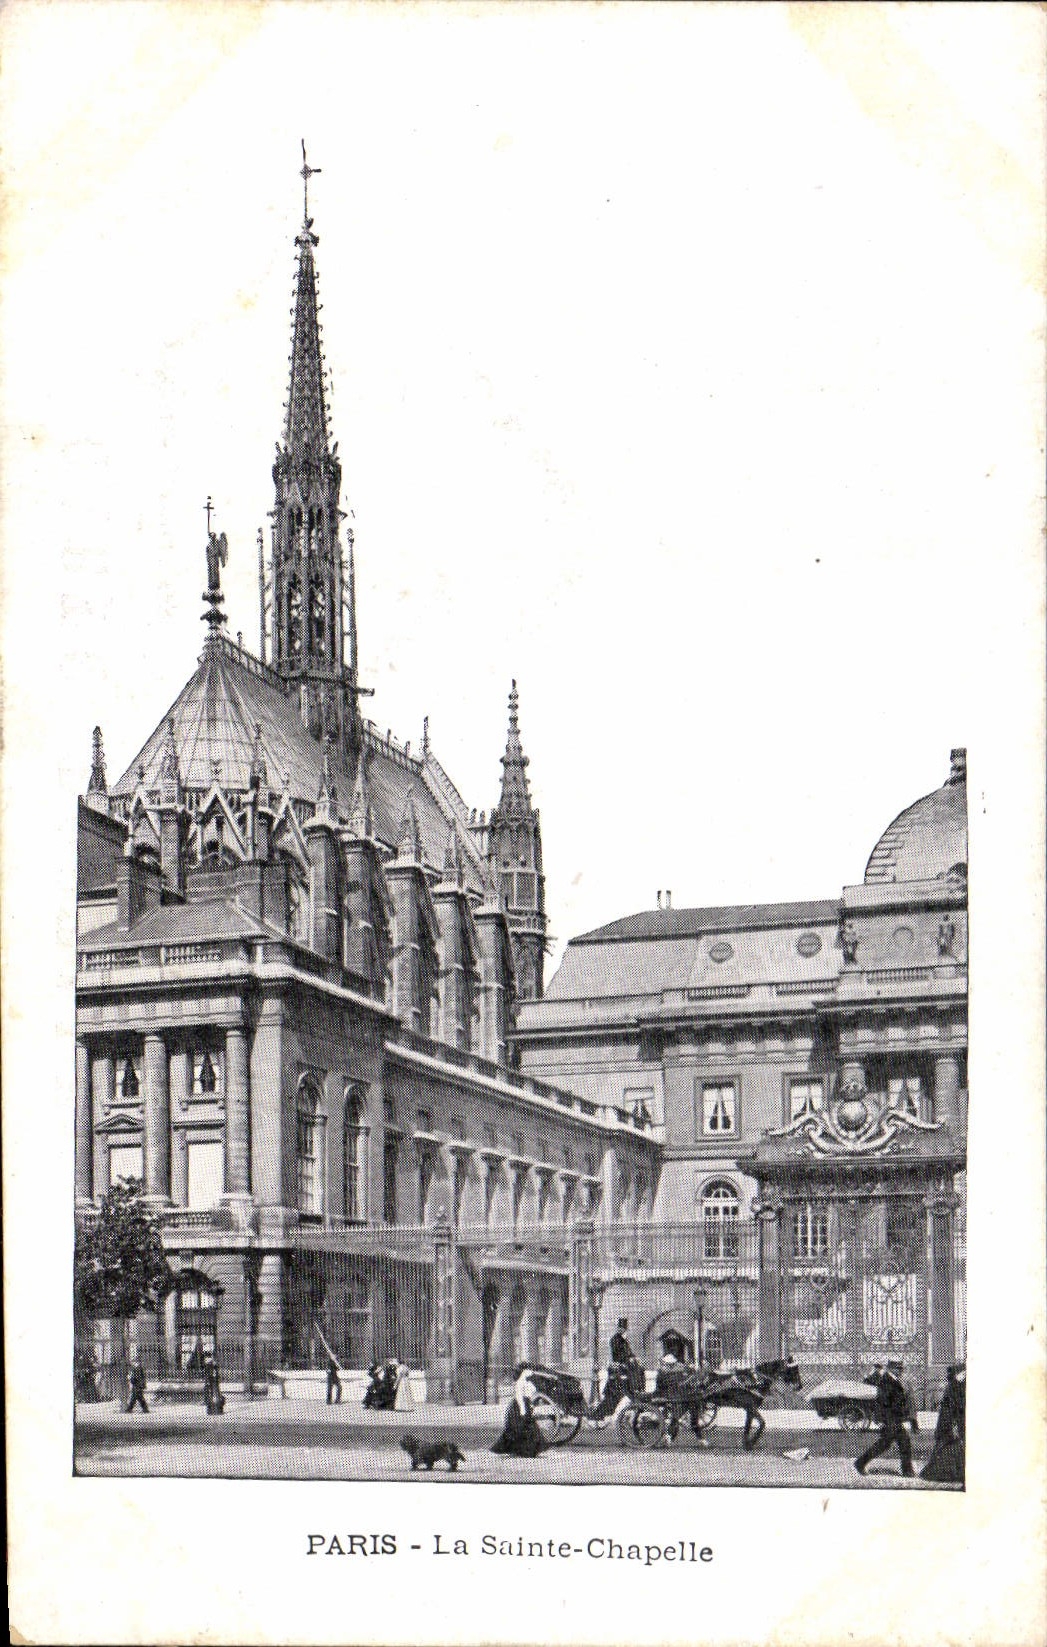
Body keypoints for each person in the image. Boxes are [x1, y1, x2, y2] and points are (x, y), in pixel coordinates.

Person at [854, 1358, 918, 1478]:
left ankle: (860, 1462)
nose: (901, 1371)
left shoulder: (892, 1380)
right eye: (899, 1369)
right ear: (891, 1369)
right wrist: (885, 1418)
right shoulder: (886, 1380)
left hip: (892, 1418)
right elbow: (884, 1402)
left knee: (887, 1444)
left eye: (901, 1368)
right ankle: (907, 1471)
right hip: (889, 1418)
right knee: (902, 1442)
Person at [921, 1363, 965, 1485]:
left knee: (944, 1447)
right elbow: (953, 1407)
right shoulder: (956, 1385)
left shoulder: (953, 1385)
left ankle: (936, 1472)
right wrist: (954, 1425)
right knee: (947, 1447)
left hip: (948, 1422)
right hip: (950, 1422)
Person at [491, 1365, 545, 1458]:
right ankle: (522, 1450)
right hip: (519, 1407)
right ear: (523, 1372)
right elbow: (519, 1397)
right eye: (527, 1371)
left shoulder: (527, 1382)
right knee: (520, 1427)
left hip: (526, 1404)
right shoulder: (520, 1383)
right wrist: (523, 1410)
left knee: (528, 1427)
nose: (530, 1372)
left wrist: (530, 1405)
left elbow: (531, 1394)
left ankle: (527, 1450)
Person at [609, 1317, 645, 1399]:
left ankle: (640, 1389)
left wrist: (634, 1357)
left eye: (624, 1329)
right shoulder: (615, 1339)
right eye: (621, 1329)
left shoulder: (624, 1340)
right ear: (618, 1329)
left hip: (626, 1361)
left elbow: (629, 1352)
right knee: (632, 1370)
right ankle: (633, 1389)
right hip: (619, 1362)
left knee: (641, 1369)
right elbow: (616, 1353)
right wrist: (628, 1358)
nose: (622, 1331)